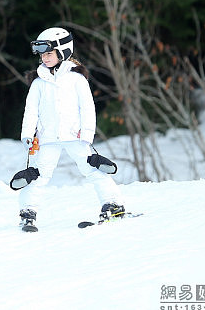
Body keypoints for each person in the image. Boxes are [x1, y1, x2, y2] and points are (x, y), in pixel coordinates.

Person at [15, 27, 124, 231]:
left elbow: (87, 107)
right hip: (47, 137)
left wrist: (88, 132)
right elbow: (31, 111)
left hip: (75, 136)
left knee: (91, 168)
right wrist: (28, 134)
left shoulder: (76, 79)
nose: (44, 58)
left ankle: (113, 204)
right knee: (38, 174)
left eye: (49, 53)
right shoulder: (38, 83)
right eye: (42, 54)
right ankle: (28, 212)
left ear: (63, 51)